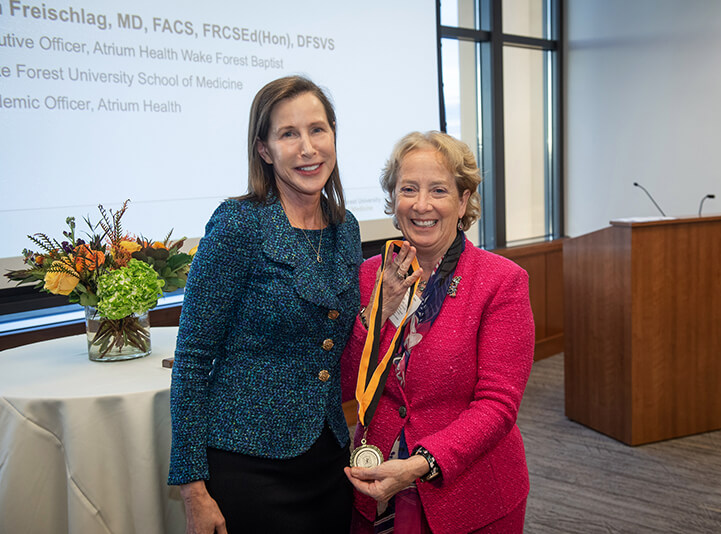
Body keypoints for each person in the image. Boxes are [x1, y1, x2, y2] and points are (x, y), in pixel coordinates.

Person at [168, 76, 361, 533]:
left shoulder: (345, 227)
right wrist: (193, 490)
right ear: (264, 149)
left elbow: (331, 337)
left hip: (328, 456)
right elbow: (192, 360)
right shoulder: (239, 224)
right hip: (247, 464)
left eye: (318, 129)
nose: (308, 148)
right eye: (288, 134)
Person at [341, 131, 535, 533]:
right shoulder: (367, 276)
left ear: (463, 200)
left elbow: (497, 405)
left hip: (468, 496)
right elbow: (344, 385)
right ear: (394, 199)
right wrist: (376, 316)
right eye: (408, 189)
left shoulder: (501, 282)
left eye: (439, 190)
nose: (422, 204)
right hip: (375, 485)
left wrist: (417, 466)